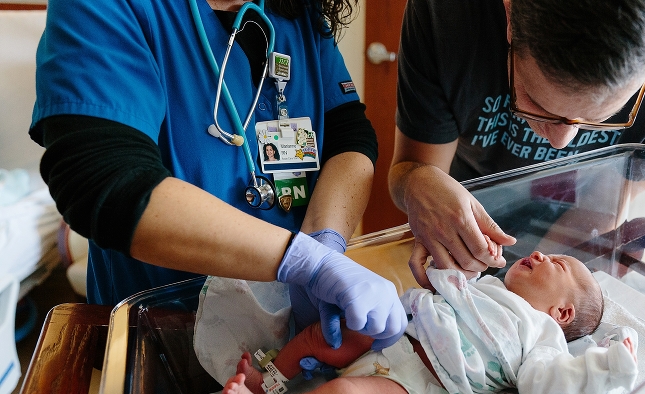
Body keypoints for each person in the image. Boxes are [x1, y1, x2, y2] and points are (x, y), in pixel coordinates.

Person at [29, 0, 407, 348]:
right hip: (166, 335)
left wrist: (326, 241)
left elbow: (347, 134)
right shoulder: (109, 7)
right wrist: (304, 262)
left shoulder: (297, 12)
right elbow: (103, 181)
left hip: (293, 330)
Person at [388, 0, 645, 288]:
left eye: (601, 115)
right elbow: (412, 168)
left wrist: (518, 298)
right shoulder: (446, 12)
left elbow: (605, 200)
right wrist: (418, 183)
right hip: (464, 205)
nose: (561, 142)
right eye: (537, 104)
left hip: (578, 225)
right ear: (510, 12)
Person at [220, 246, 639, 394]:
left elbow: (549, 384)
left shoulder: (541, 335)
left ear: (561, 313)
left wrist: (604, 366)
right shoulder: (488, 287)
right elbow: (441, 283)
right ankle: (270, 382)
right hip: (398, 333)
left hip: (420, 381)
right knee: (317, 337)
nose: (544, 254)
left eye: (559, 264)